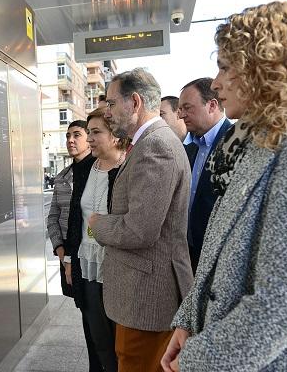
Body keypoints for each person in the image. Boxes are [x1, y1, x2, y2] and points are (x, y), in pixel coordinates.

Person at [161, 1, 287, 372]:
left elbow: (278, 307)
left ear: (267, 68)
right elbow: (219, 250)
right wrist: (189, 319)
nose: (216, 82)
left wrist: (195, 358)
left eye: (226, 66)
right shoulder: (266, 143)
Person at [89, 68, 194, 372]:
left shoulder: (155, 146)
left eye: (111, 104)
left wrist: (98, 224)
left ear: (134, 102)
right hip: (144, 294)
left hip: (147, 298)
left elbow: (140, 230)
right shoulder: (151, 143)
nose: (107, 113)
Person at [65, 107, 128, 371]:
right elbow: (74, 216)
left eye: (95, 132)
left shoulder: (129, 166)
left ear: (115, 135)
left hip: (117, 267)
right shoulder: (88, 167)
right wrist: (69, 258)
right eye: (88, 132)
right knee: (98, 340)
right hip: (88, 265)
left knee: (121, 345)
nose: (89, 139)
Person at [46, 120, 99, 367]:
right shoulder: (62, 178)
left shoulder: (99, 171)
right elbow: (53, 217)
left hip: (92, 256)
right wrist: (61, 252)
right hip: (67, 256)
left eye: (76, 134)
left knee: (96, 315)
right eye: (68, 135)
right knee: (85, 311)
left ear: (89, 138)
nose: (70, 140)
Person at [178, 78, 231, 273]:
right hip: (189, 253)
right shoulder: (189, 147)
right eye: (180, 109)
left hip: (219, 259)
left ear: (212, 105)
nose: (181, 115)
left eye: (187, 108)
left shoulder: (235, 142)